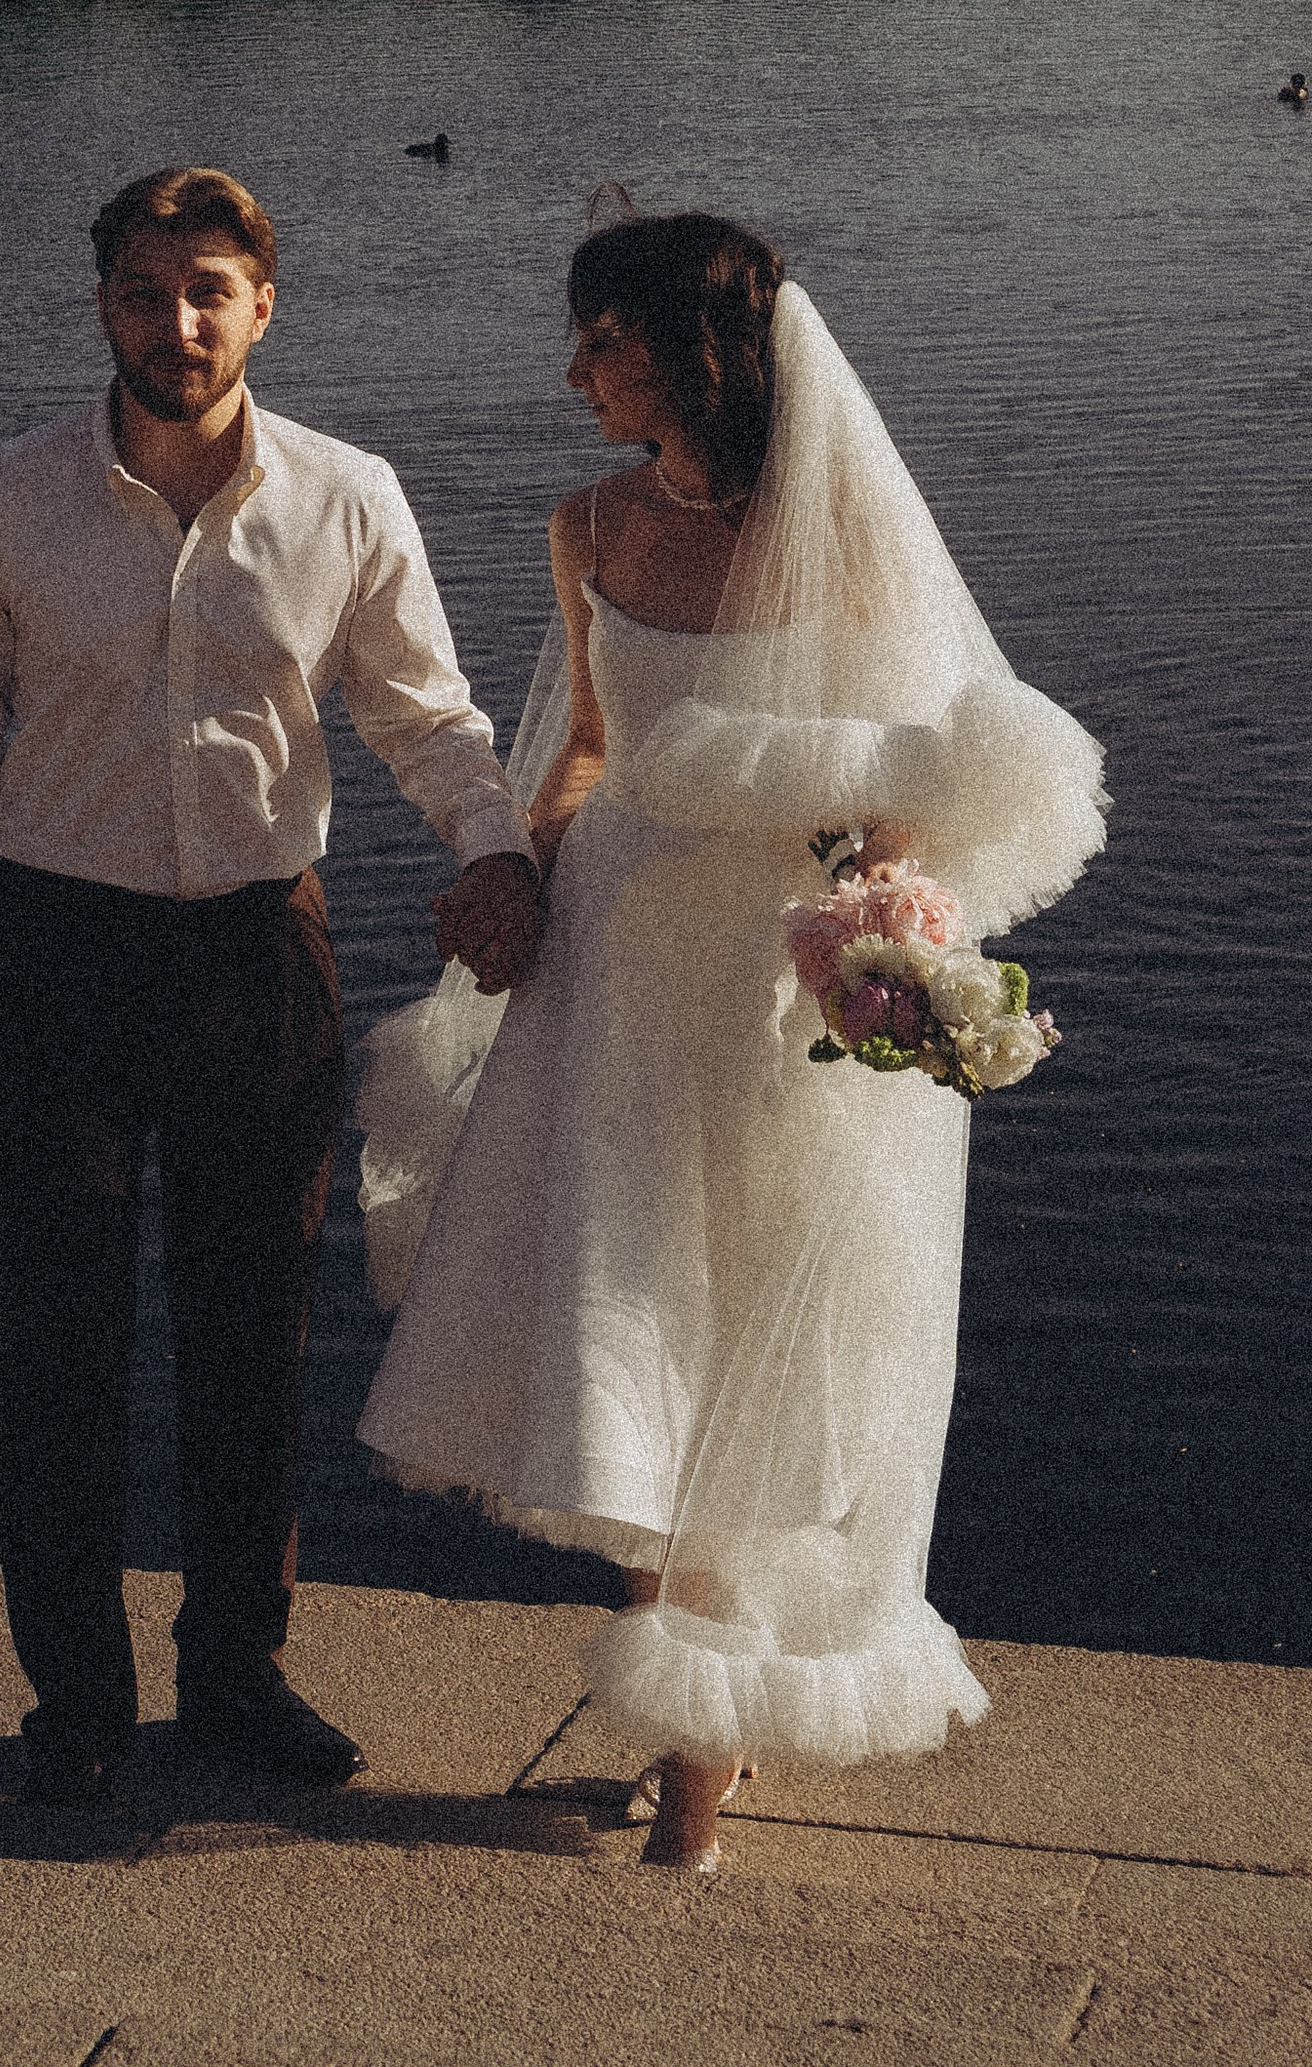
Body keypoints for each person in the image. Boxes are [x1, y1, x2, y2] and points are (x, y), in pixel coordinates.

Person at [357, 211, 1107, 1875]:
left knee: (756, 1338)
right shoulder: (587, 525)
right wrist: (516, 881)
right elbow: (585, 752)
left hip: (775, 989)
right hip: (618, 971)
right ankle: (697, 1733)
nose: (575, 371)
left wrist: (875, 936)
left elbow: (903, 790)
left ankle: (699, 1753)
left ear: (698, 356)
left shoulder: (845, 543)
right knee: (632, 1335)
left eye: (604, 340)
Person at [0, 165, 541, 1807]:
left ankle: (236, 1678)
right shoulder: (5, 499)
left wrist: (497, 851)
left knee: (255, 1340)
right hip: (51, 958)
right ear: (102, 305)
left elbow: (425, 715)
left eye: (207, 294)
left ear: (263, 308)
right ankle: (78, 1708)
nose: (174, 325)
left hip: (259, 956)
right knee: (60, 1347)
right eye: (142, 293)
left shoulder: (348, 498)